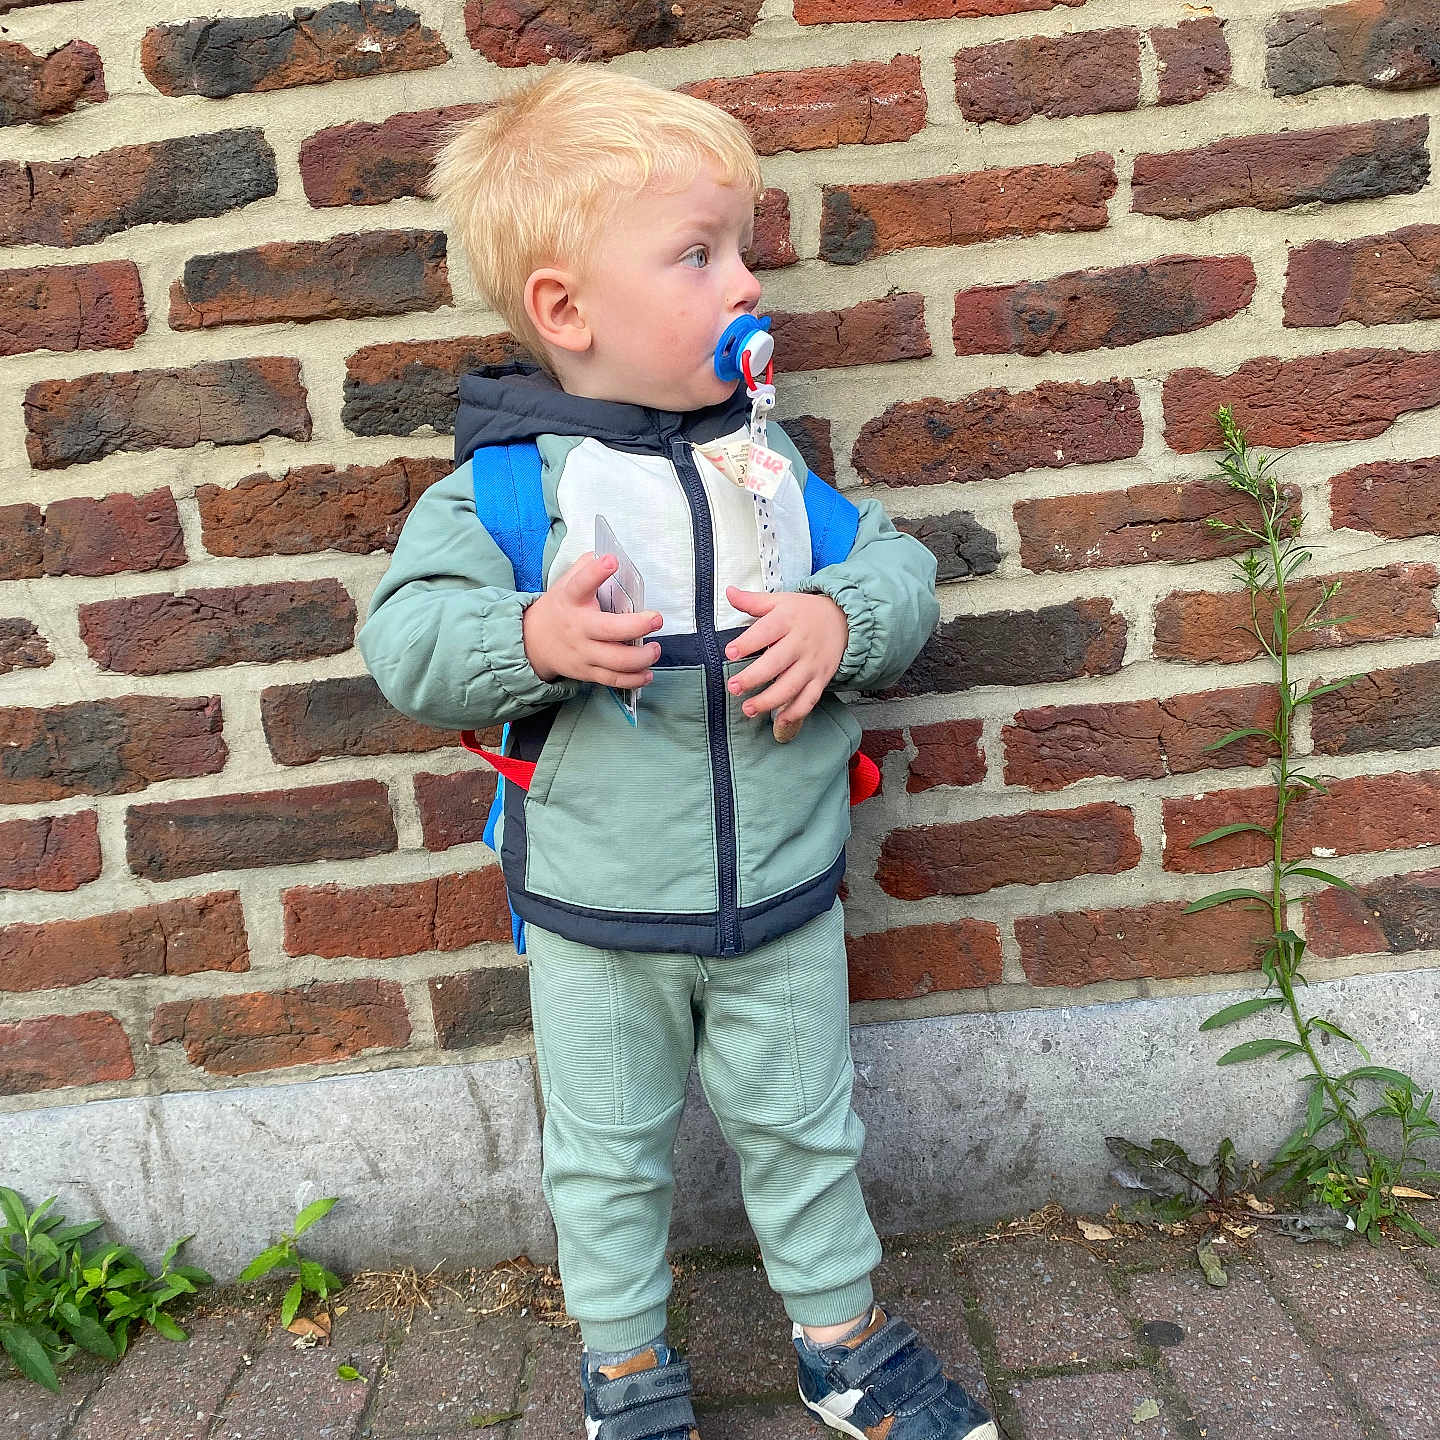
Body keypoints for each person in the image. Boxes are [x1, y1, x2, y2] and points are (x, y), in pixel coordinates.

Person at [359, 65, 1000, 1440]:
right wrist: (528, 639)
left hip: (782, 893)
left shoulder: (769, 464)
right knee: (605, 1157)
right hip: (596, 912)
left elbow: (899, 570)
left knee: (807, 1129)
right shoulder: (509, 489)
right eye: (699, 254)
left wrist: (841, 618)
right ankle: (627, 1364)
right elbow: (404, 641)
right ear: (566, 310)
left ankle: (840, 1340)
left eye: (742, 249)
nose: (748, 282)